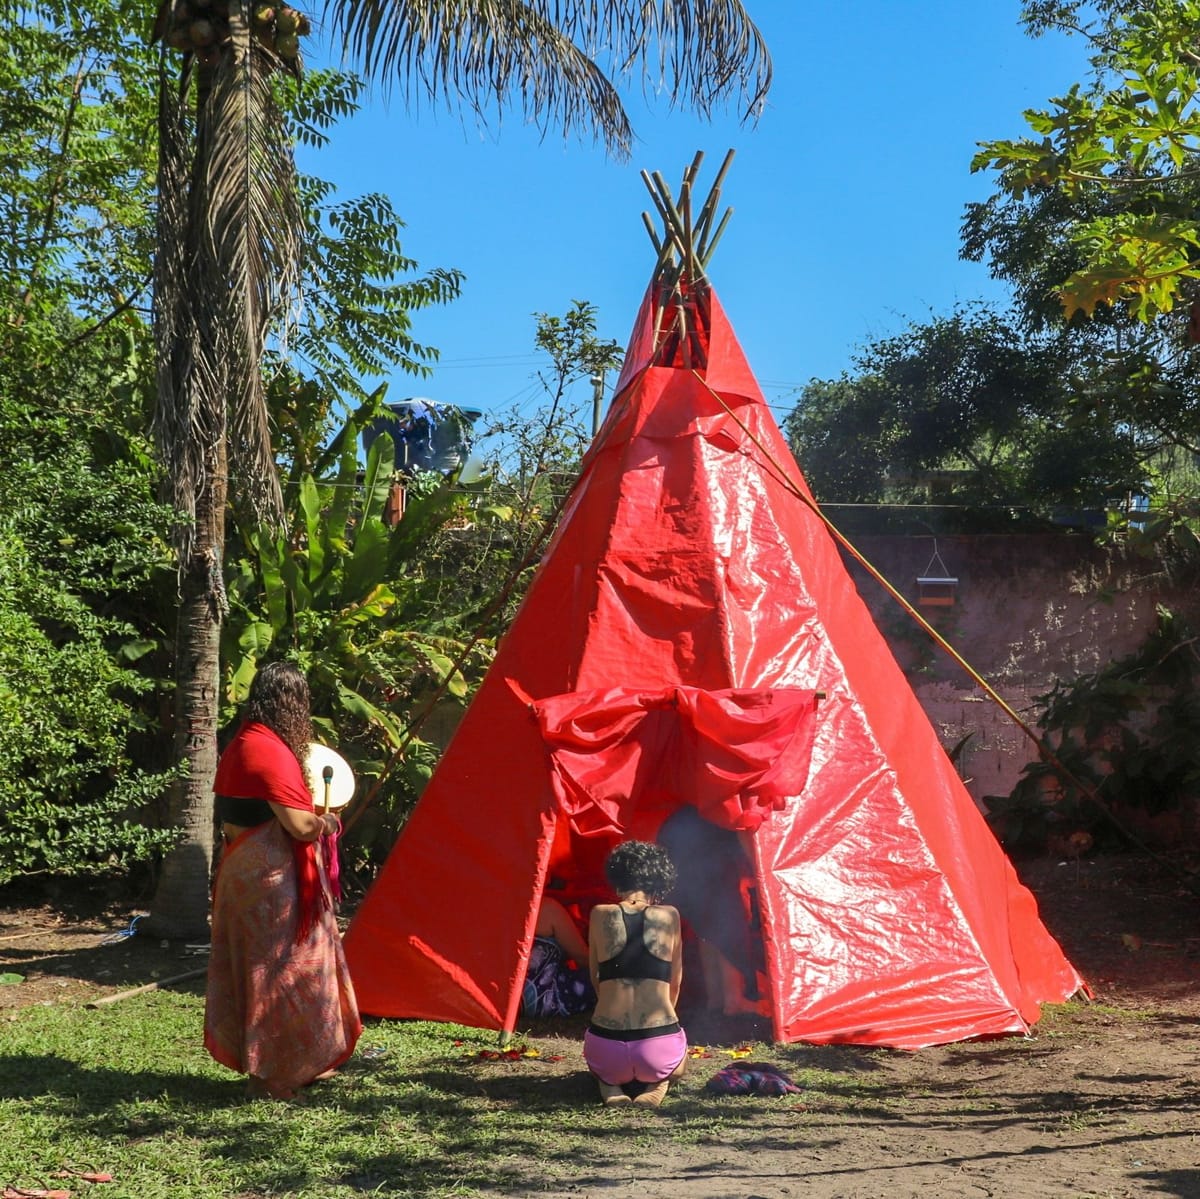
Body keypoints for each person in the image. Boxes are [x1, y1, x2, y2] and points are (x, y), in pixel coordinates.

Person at [203, 661, 362, 1100]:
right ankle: (271, 1078)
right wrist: (328, 823)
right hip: (268, 882)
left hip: (243, 875)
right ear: (291, 703)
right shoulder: (269, 751)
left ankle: (301, 1063)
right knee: (281, 975)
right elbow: (301, 827)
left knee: (267, 973)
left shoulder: (242, 742)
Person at [585, 841, 687, 1108]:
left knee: (601, 1065)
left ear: (616, 878)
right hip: (657, 1048)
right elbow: (675, 982)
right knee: (677, 1063)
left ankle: (609, 1084)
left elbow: (596, 978)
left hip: (607, 1047)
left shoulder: (599, 914)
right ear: (659, 881)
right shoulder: (670, 916)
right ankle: (657, 1084)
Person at [521, 894, 595, 1018]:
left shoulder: (492, 907)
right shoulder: (545, 908)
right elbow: (583, 958)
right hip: (544, 998)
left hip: (499, 999)